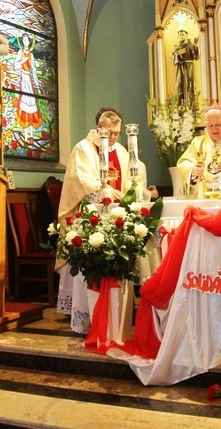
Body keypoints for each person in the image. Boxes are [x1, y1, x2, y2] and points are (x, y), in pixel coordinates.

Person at [57, 108, 145, 333]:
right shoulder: (83, 148)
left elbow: (130, 181)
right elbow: (80, 179)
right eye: (108, 132)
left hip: (118, 214)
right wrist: (103, 190)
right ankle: (85, 313)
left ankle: (118, 307)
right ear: (98, 127)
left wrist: (129, 195)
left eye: (116, 132)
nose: (113, 137)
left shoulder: (123, 152)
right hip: (89, 214)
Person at [14, 33, 43, 138]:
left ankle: (31, 135)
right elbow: (15, 66)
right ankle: (26, 134)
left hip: (29, 80)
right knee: (24, 105)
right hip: (23, 79)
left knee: (31, 105)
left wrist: (38, 86)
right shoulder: (20, 52)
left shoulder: (31, 55)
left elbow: (34, 70)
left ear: (30, 42)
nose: (26, 42)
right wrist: (22, 61)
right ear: (22, 41)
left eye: (28, 41)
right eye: (24, 40)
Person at [171, 29, 199, 108]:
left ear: (186, 35)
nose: (181, 36)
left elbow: (196, 57)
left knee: (189, 85)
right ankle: (180, 106)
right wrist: (177, 54)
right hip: (180, 68)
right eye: (180, 35)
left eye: (183, 34)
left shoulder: (190, 45)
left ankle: (190, 106)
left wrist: (196, 45)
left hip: (188, 67)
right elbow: (173, 59)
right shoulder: (177, 47)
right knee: (180, 85)